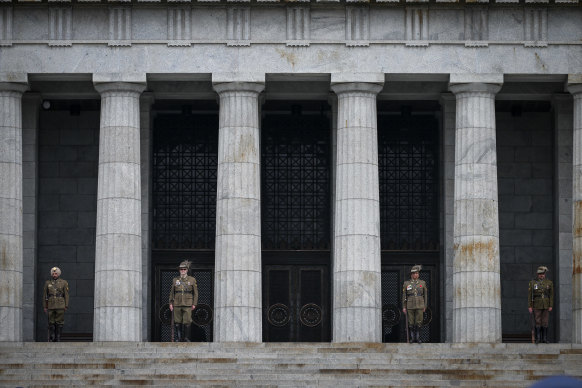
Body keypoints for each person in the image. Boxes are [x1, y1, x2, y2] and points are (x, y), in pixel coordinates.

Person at [169, 260, 198, 342]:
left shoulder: (192, 280)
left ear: (187, 270)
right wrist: (171, 303)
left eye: (184, 269)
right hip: (177, 303)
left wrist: (194, 303)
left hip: (188, 303)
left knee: (187, 321)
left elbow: (195, 293)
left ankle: (186, 338)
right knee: (177, 321)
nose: (182, 271)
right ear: (179, 270)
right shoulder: (175, 280)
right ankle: (178, 338)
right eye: (181, 269)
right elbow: (172, 292)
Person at [42, 267, 69, 342]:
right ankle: (52, 337)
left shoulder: (63, 282)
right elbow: (45, 295)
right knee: (51, 322)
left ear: (58, 274)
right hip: (51, 305)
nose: (54, 275)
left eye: (56, 273)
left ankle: (58, 337)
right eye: (53, 273)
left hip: (60, 304)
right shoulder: (48, 283)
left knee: (59, 322)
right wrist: (45, 306)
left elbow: (66, 295)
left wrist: (66, 305)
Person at [528, 265, 554, 344]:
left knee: (545, 321)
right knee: (538, 321)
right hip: (536, 304)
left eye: (542, 273)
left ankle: (544, 338)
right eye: (540, 274)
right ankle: (538, 338)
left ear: (545, 274)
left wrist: (550, 305)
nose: (541, 275)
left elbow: (551, 295)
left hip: (546, 304)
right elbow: (530, 295)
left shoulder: (549, 282)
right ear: (537, 274)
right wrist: (530, 306)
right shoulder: (532, 282)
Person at [402, 265, 427, 343]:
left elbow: (425, 295)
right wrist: (404, 307)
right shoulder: (406, 283)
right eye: (415, 273)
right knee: (411, 322)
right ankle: (412, 338)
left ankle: (418, 338)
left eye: (417, 273)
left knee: (419, 322)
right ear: (411, 274)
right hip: (410, 305)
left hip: (420, 304)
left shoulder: (422, 283)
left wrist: (425, 305)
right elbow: (404, 295)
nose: (416, 275)